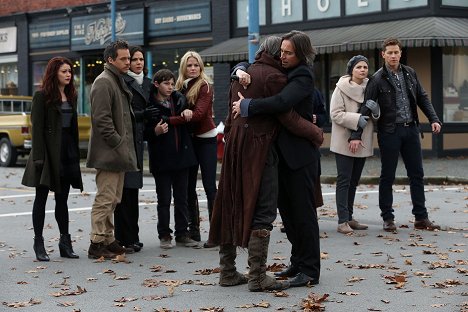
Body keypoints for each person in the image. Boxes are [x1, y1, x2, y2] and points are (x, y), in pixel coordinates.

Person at [208, 36, 323, 292]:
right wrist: (240, 69)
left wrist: (246, 97)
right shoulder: (272, 75)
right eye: (281, 52)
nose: (283, 57)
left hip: (285, 154)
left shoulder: (293, 75)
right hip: (269, 152)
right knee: (280, 213)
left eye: (288, 53)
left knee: (299, 214)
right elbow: (284, 112)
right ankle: (288, 266)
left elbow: (284, 108)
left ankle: (308, 269)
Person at [363, 37, 442, 232]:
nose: (393, 55)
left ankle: (421, 217)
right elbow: (366, 107)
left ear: (400, 53)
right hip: (390, 131)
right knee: (387, 176)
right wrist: (356, 134)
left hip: (411, 129)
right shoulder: (377, 79)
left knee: (417, 174)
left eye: (396, 52)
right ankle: (388, 218)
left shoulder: (410, 73)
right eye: (389, 52)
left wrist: (434, 119)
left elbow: (422, 97)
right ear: (383, 55)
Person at [22, 56, 83, 261]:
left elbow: (72, 128)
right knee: (41, 199)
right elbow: (36, 128)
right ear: (54, 73)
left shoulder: (71, 95)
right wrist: (39, 157)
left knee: (62, 199)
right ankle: (39, 243)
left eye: (70, 72)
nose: (68, 75)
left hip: (66, 151)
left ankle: (65, 243)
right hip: (47, 153)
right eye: (64, 71)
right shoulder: (42, 96)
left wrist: (75, 153)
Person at [86, 40, 138, 259]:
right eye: (124, 58)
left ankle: (107, 239)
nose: (128, 62)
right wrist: (118, 142)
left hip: (118, 152)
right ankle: (96, 243)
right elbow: (102, 119)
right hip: (109, 153)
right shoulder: (104, 81)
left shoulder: (116, 80)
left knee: (114, 198)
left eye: (129, 58)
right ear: (110, 60)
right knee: (105, 198)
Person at [167, 51, 217, 245]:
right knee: (188, 187)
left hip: (206, 140)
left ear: (201, 67)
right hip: (189, 140)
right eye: (189, 65)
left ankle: (216, 233)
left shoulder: (205, 86)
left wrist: (170, 120)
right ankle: (193, 230)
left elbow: (198, 115)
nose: (193, 68)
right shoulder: (179, 86)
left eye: (196, 65)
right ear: (183, 68)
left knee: (209, 186)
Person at [146, 69, 199, 249]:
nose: (170, 87)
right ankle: (164, 234)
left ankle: (182, 233)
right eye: (166, 84)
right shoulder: (150, 105)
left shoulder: (179, 100)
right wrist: (155, 131)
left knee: (182, 198)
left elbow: (189, 116)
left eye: (171, 83)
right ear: (156, 84)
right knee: (164, 199)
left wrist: (187, 113)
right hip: (161, 159)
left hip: (182, 157)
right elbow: (144, 132)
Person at [114, 46, 158, 252]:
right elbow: (124, 113)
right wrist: (143, 115)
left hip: (140, 141)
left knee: (133, 192)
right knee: (125, 193)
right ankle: (124, 237)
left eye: (141, 59)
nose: (139, 63)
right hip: (128, 141)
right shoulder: (123, 82)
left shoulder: (147, 84)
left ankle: (133, 236)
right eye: (134, 59)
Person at [330, 55, 380, 234]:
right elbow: (335, 114)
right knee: (344, 180)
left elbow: (375, 117)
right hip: (344, 140)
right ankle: (342, 220)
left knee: (354, 181)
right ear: (351, 69)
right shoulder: (341, 88)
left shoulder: (372, 87)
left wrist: (376, 111)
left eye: (365, 67)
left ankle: (350, 217)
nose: (363, 70)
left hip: (363, 140)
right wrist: (357, 119)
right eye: (358, 67)